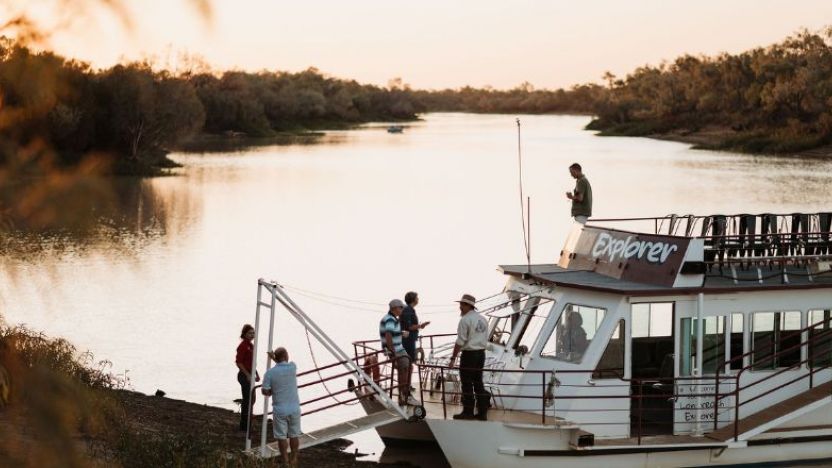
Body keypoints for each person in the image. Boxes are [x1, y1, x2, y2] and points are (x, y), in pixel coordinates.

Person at [448, 294, 490, 420]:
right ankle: (482, 413)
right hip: (481, 354)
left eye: (462, 305)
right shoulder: (483, 319)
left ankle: (468, 412)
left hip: (469, 354)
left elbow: (460, 341)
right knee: (478, 383)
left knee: (466, 383)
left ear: (468, 306)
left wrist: (452, 358)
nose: (460, 307)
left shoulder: (465, 320)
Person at [262, 347, 301, 466]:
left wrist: (271, 391)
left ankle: (285, 460)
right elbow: (283, 363)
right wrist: (275, 358)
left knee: (281, 436)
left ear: (276, 358)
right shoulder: (292, 367)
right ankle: (294, 458)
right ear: (286, 356)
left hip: (280, 409)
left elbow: (265, 391)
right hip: (294, 407)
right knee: (294, 434)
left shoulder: (269, 373)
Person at [379, 299, 413, 405]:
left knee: (407, 368)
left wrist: (401, 334)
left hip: (399, 349)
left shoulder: (392, 319)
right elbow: (388, 335)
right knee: (404, 369)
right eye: (401, 307)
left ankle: (403, 393)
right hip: (396, 349)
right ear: (395, 308)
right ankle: (404, 394)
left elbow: (391, 333)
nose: (402, 309)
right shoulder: (390, 319)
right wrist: (392, 352)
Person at [235, 324, 259, 432]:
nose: (252, 335)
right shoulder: (243, 346)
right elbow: (239, 362)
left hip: (250, 374)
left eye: (253, 333)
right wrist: (247, 375)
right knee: (247, 399)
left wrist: (256, 374)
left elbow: (252, 363)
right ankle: (244, 426)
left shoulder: (251, 346)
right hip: (243, 375)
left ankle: (247, 421)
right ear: (244, 334)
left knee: (252, 399)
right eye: (250, 333)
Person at [400, 291, 430, 362]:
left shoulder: (409, 309)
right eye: (417, 298)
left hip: (409, 338)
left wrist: (420, 326)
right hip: (408, 339)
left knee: (409, 359)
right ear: (413, 299)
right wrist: (420, 325)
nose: (418, 299)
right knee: (409, 360)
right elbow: (409, 326)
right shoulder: (408, 309)